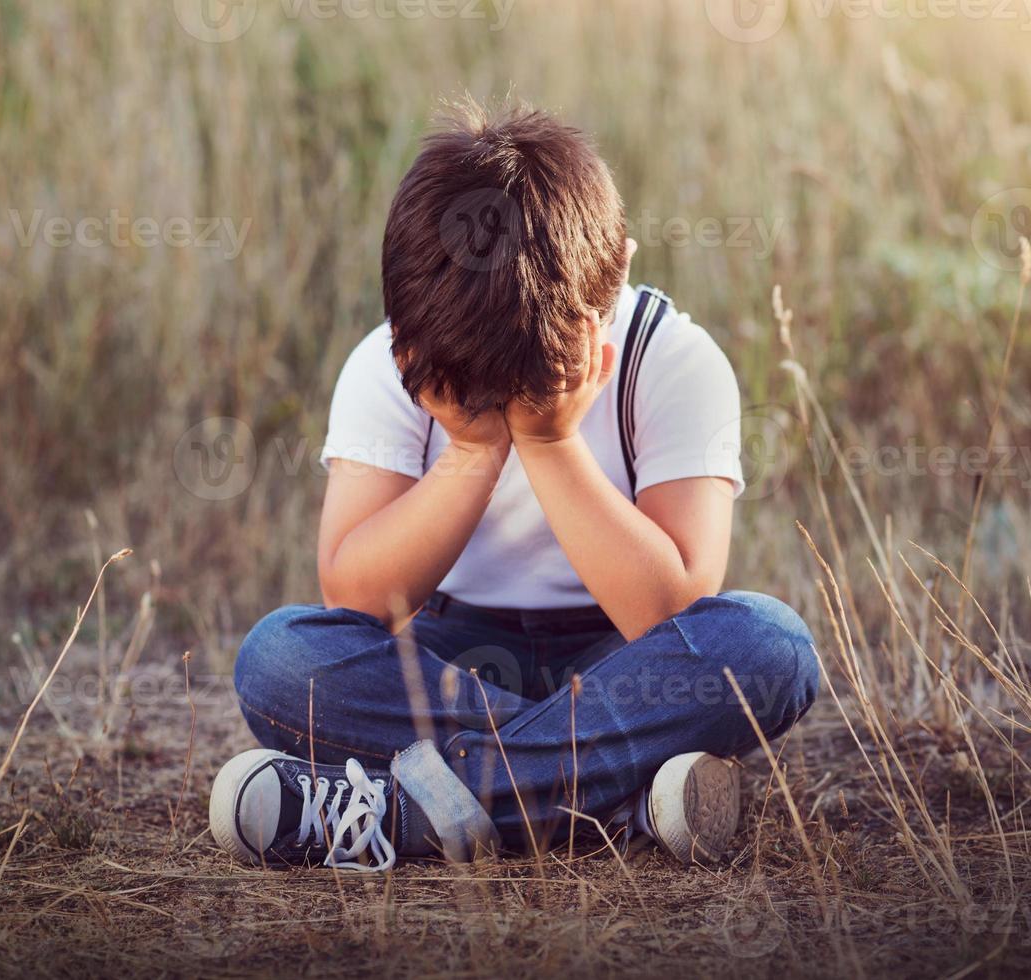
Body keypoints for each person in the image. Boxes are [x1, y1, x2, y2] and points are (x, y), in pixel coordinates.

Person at [208, 99, 820, 872]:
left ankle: (403, 813)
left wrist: (550, 437)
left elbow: (669, 613)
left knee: (769, 645)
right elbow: (356, 597)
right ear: (405, 328)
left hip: (618, 659)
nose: (494, 399)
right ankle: (615, 791)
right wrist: (471, 449)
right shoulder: (390, 361)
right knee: (279, 662)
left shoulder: (670, 361)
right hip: (451, 657)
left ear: (618, 275)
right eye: (473, 385)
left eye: (520, 381)